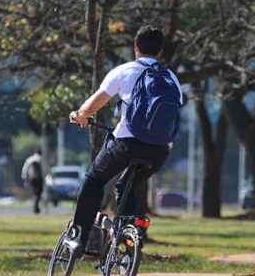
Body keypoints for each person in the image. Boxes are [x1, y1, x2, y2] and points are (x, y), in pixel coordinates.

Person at [69, 25, 182, 256]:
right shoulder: (172, 79)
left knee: (93, 181)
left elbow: (94, 104)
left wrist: (80, 115)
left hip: (127, 143)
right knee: (126, 186)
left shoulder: (125, 70)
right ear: (160, 52)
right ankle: (129, 238)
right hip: (160, 150)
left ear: (135, 47)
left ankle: (78, 237)